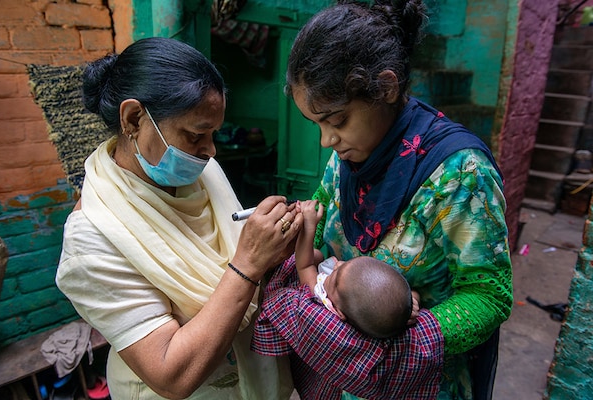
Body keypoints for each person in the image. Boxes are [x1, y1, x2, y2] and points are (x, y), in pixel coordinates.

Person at [253, 1, 513, 399]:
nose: (326, 140)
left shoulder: (461, 175)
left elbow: (489, 294)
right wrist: (296, 226)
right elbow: (325, 222)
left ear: (387, 88)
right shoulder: (352, 154)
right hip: (339, 379)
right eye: (317, 124)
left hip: (412, 382)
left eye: (337, 121)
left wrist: (399, 343)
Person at [55, 36, 304, 400]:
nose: (210, 150)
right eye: (195, 135)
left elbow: (229, 257)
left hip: (258, 380)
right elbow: (171, 374)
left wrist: (274, 249)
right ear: (134, 118)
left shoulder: (204, 173)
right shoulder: (93, 237)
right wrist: (250, 262)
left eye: (213, 134)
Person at [294, 199, 415, 339]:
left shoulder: (321, 301)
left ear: (339, 312)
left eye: (335, 280)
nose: (338, 265)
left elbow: (304, 266)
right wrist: (411, 303)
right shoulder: (360, 311)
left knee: (316, 255)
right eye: (346, 263)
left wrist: (309, 226)